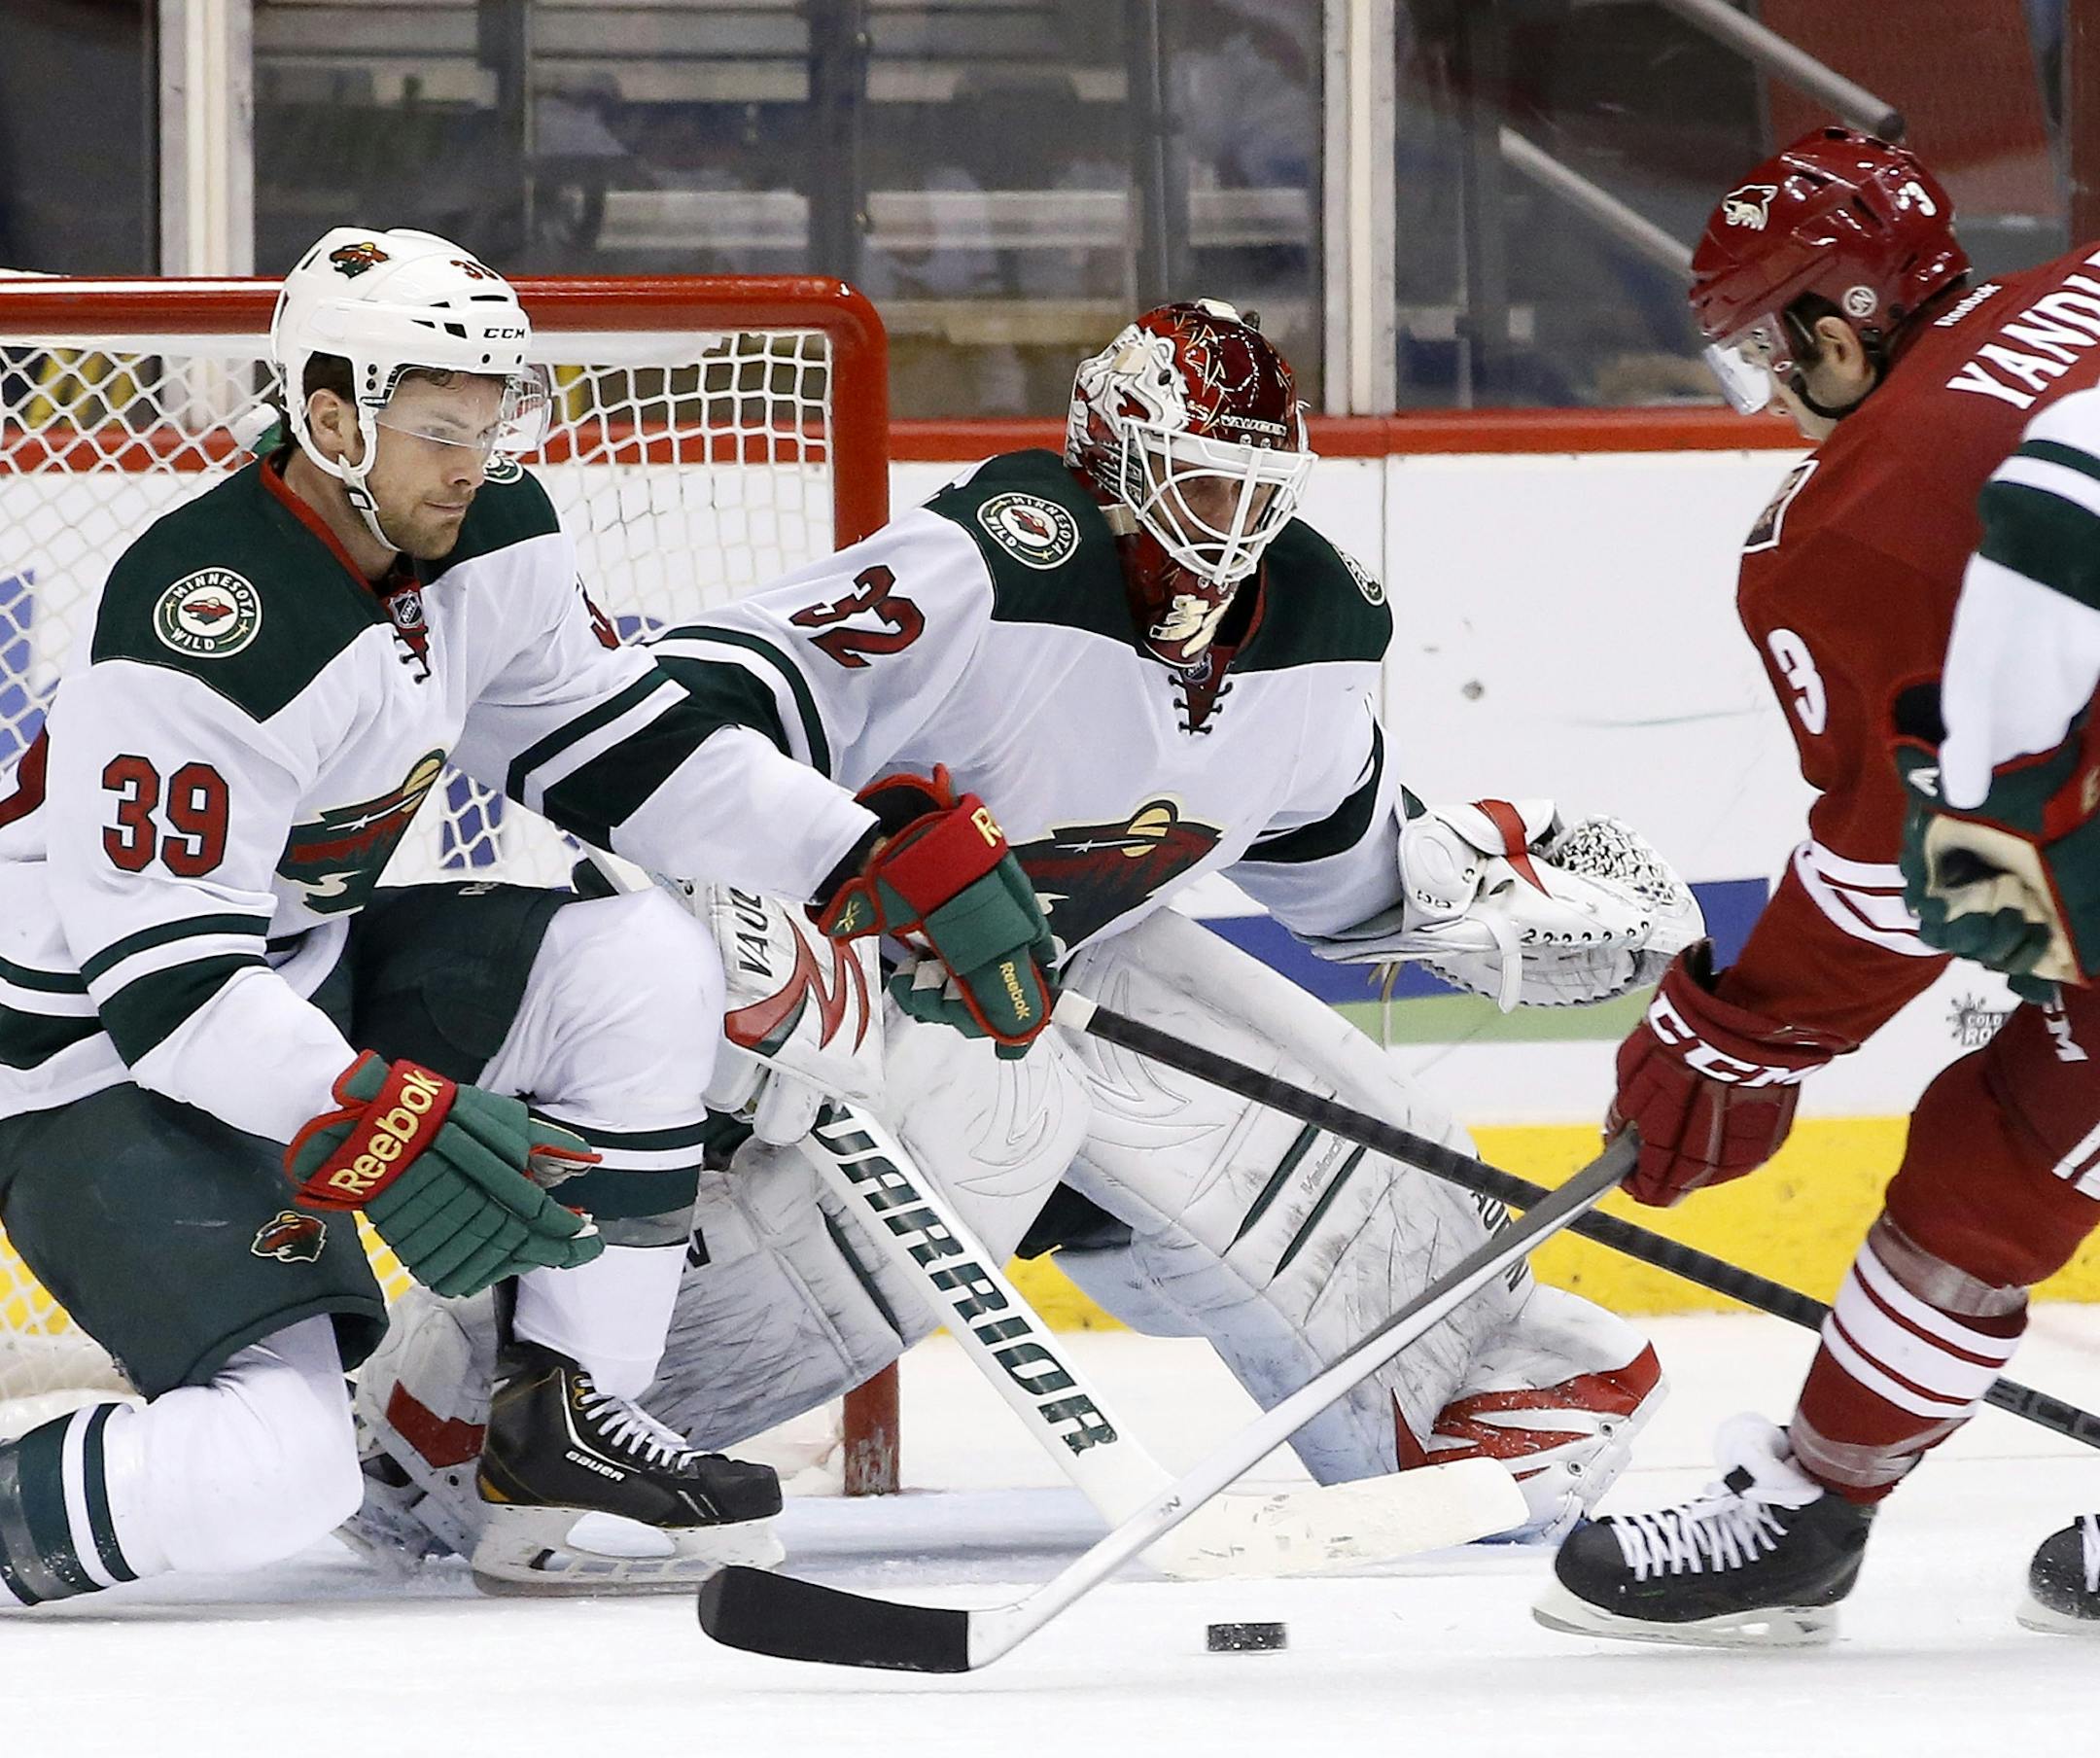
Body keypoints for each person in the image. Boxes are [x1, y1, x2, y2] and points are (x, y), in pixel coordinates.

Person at [356, 297, 1704, 1571]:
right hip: (846, 969)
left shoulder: (1316, 634)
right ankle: (455, 1422)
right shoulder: (996, 560)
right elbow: (715, 689)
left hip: (1050, 988)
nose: (1228, 524)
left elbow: (1340, 872)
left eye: (1252, 486)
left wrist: (1476, 896)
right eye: (1196, 480)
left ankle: (1467, 1392)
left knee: (1320, 1104)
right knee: (980, 1133)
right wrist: (764, 901)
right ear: (1113, 466)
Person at [0, 226, 1042, 1603]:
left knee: (638, 964)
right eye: (440, 426)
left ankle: (559, 1437)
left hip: (295, 978)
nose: (475, 458)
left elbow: (629, 751)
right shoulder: (215, 622)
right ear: (328, 415)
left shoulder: (486, 536)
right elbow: (171, 997)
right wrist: (370, 1117)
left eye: (495, 419)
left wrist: (867, 859)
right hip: (88, 1059)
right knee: (279, 1471)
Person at [1536, 126, 2100, 1647]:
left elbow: (1899, 864)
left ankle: (1806, 1509)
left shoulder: (1860, 518)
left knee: (1999, 1159)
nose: (1771, 402)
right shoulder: (2082, 288)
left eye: (1766, 359)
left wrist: (1737, 1036)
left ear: (1840, 324)